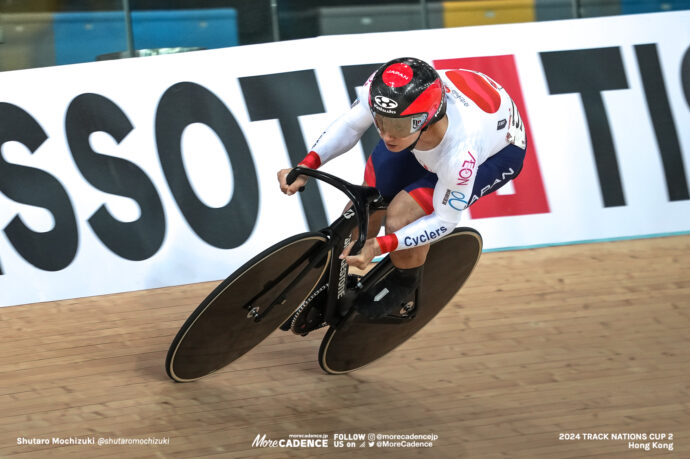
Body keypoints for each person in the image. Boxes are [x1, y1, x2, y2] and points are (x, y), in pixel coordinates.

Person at [277, 57, 526, 320]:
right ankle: (334, 279)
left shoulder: (461, 155)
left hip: (497, 152)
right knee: (363, 205)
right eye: (381, 122)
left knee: (401, 217)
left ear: (425, 120)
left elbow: (444, 220)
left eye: (397, 127)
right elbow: (351, 125)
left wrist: (382, 245)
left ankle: (403, 284)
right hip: (432, 132)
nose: (386, 136)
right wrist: (307, 164)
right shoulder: (385, 91)